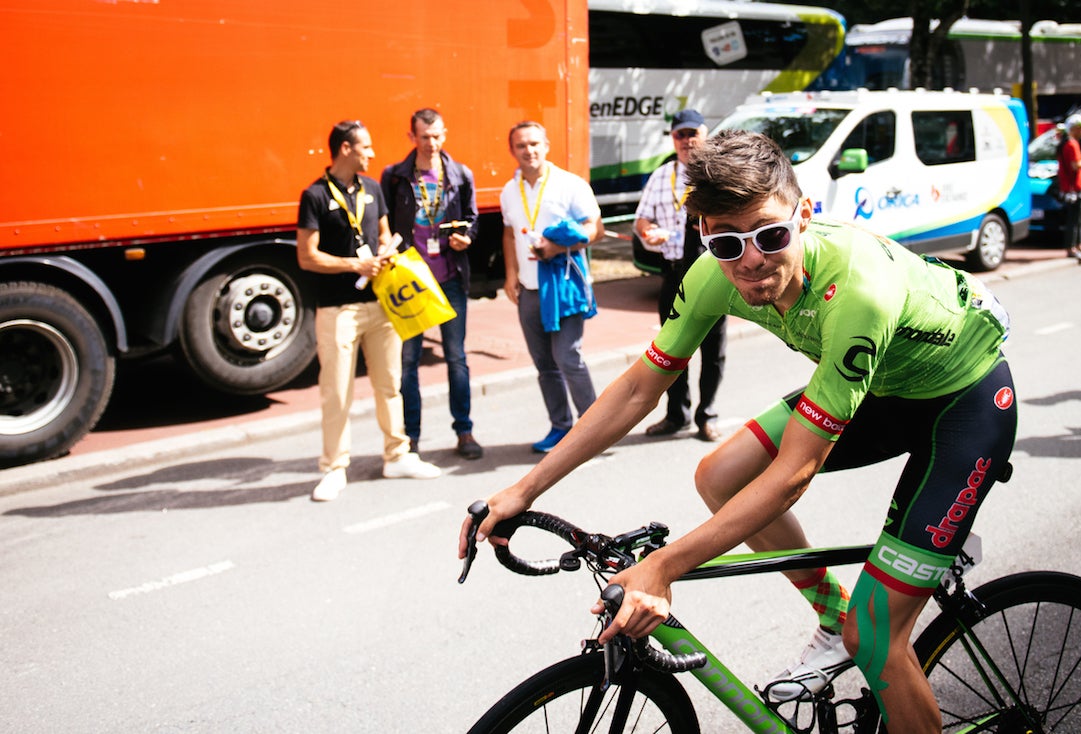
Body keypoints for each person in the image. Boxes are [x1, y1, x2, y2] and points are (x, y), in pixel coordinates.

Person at [462, 130, 1017, 730]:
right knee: (719, 474)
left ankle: (856, 631)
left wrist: (664, 567)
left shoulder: (859, 289)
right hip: (880, 390)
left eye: (770, 235)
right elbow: (637, 389)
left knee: (876, 638)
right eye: (726, 242)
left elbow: (790, 477)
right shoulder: (712, 276)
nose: (750, 260)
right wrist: (524, 489)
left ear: (803, 217)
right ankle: (831, 613)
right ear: (705, 237)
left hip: (964, 404)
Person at [296, 120, 441, 503]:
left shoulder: (373, 188)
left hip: (380, 304)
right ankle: (333, 467)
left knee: (389, 383)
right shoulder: (313, 196)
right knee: (337, 389)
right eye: (365, 147)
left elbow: (380, 235)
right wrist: (354, 265)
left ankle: (397, 455)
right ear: (346, 148)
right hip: (337, 308)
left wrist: (384, 252)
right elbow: (306, 257)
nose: (371, 154)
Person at [381, 109, 483, 460]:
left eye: (437, 136)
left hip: (451, 277)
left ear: (445, 133)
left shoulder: (460, 174)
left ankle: (464, 431)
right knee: (408, 362)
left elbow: (472, 219)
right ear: (412, 137)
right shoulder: (395, 176)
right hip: (412, 282)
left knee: (456, 358)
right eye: (425, 137)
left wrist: (466, 237)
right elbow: (387, 224)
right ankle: (411, 437)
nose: (432, 143)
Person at [499, 121, 605, 453]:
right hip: (529, 289)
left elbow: (595, 229)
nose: (528, 151)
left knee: (567, 357)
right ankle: (561, 427)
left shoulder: (569, 185)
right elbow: (508, 232)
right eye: (521, 145)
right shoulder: (508, 190)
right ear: (512, 150)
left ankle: (594, 430)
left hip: (564, 284)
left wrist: (557, 248)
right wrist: (510, 273)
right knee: (544, 363)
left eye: (534, 144)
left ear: (546, 145)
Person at [634, 109, 726, 442]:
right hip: (672, 273)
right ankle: (677, 414)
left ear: (705, 134)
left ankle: (708, 415)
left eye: (692, 133)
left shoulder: (716, 176)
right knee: (672, 347)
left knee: (712, 349)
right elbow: (641, 219)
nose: (686, 141)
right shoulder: (661, 177)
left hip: (712, 274)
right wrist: (649, 231)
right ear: (673, 140)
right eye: (679, 135)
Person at [1057, 114, 1081, 262]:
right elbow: (1075, 165)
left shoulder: (1067, 143)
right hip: (1074, 188)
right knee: (1074, 219)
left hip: (1076, 186)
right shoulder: (1071, 144)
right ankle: (1072, 248)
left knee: (1079, 218)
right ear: (1075, 128)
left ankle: (1080, 245)